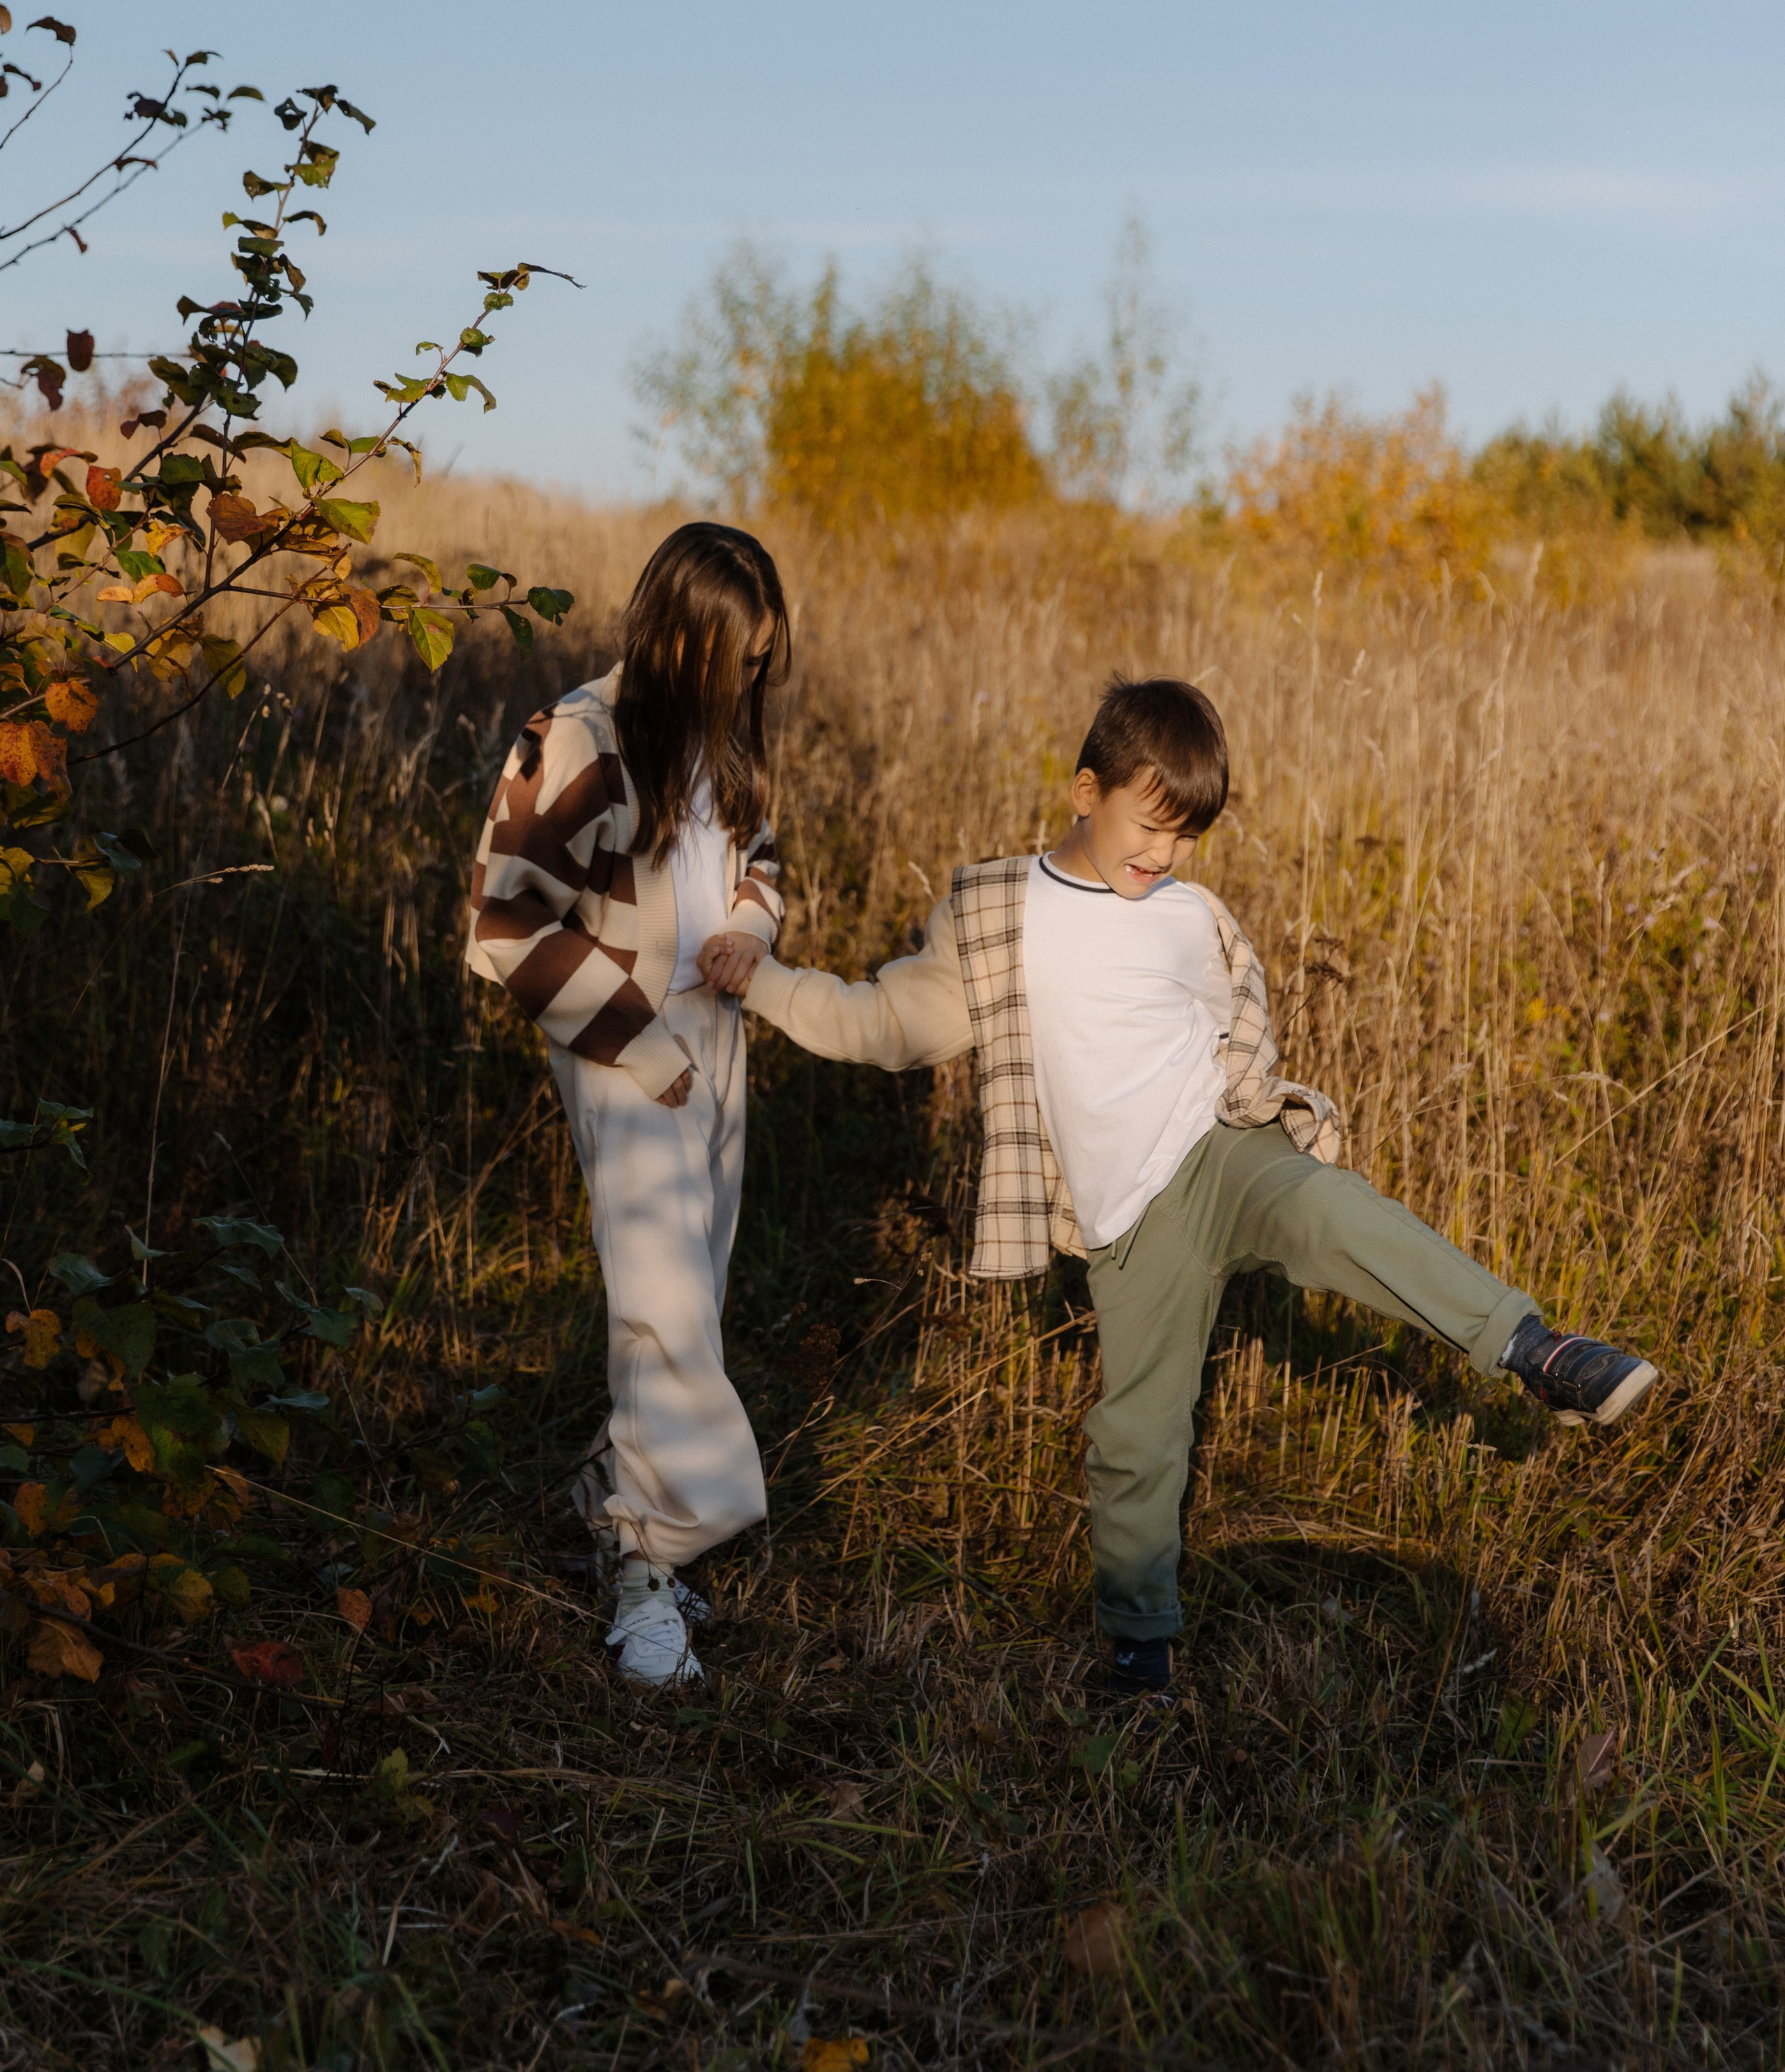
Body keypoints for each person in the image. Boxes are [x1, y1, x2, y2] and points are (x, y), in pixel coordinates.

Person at [699, 674, 1658, 1704]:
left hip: (1220, 1153)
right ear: (1086, 791)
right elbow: (884, 1023)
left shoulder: (1191, 916)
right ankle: (1138, 1650)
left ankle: (1532, 1348)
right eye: (1149, 825)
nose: (1164, 854)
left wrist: (1265, 1106)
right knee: (1137, 1432)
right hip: (1125, 1224)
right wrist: (764, 982)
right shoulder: (998, 914)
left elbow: (1236, 1023)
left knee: (1332, 1211)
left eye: (1187, 836)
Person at [466, 522, 789, 1688]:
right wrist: (644, 1047)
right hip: (622, 1046)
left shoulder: (725, 739)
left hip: (718, 1039)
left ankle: (619, 1505)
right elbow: (505, 925)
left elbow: (762, 859)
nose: (746, 678)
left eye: (760, 660)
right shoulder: (578, 735)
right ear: (676, 633)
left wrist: (750, 927)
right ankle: (646, 1571)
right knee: (666, 1311)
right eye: (734, 656)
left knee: (694, 1296)